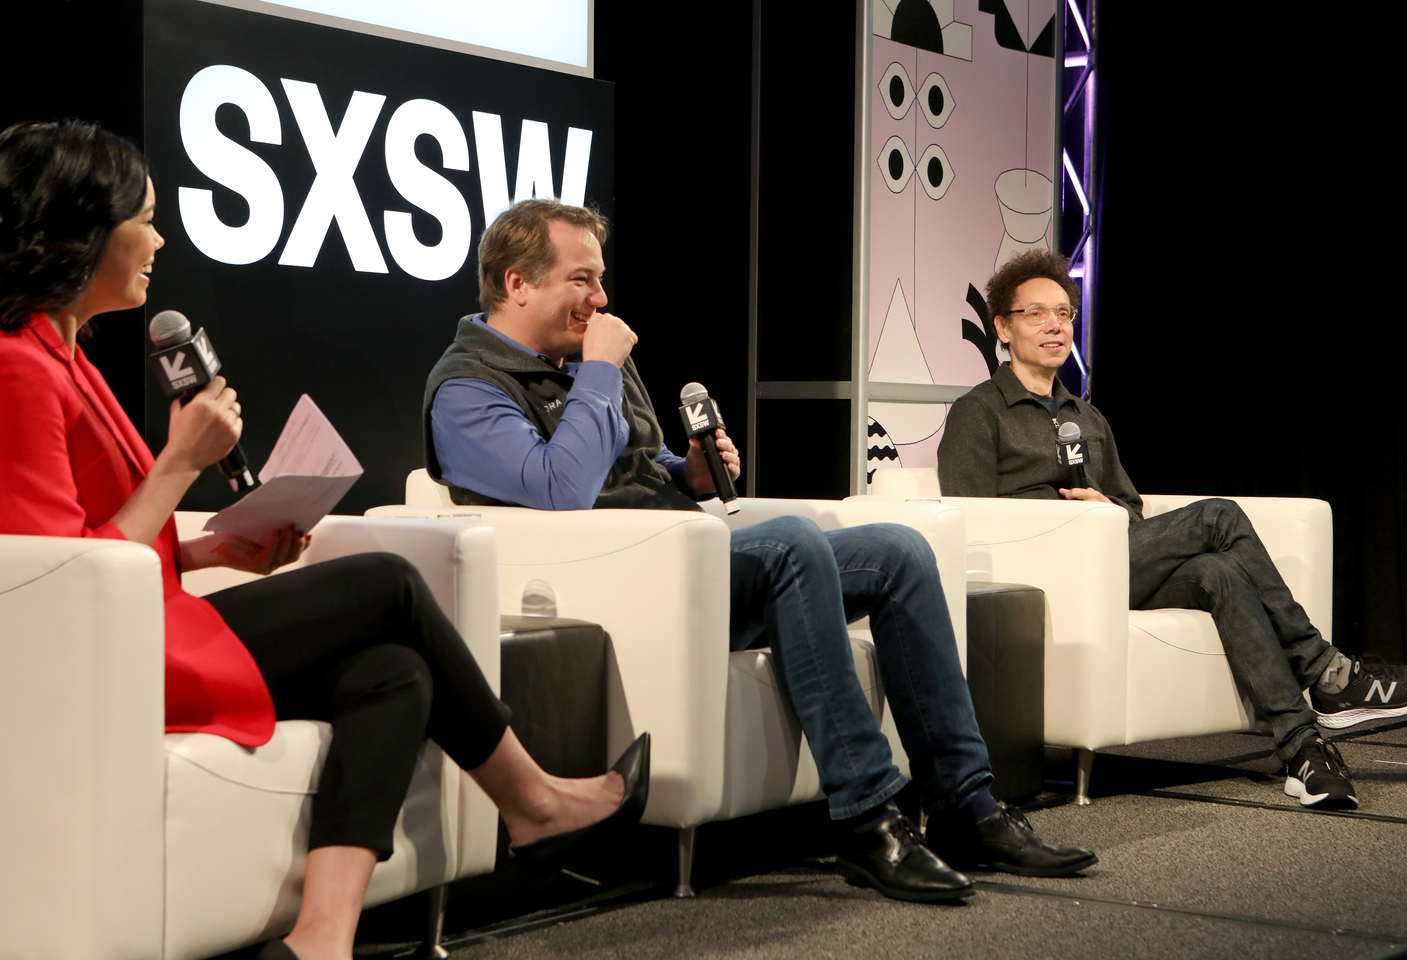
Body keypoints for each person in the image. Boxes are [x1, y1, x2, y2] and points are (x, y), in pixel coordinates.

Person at [0, 121, 650, 960]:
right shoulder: (18, 368)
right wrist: (176, 466)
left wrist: (209, 550)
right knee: (387, 581)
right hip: (114, 661)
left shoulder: (68, 357)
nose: (159, 237)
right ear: (83, 229)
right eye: (146, 218)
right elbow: (55, 584)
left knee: (394, 674)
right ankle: (534, 802)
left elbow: (98, 541)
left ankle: (320, 941)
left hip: (151, 624)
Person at [423, 198, 1098, 903]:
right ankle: (869, 822)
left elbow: (623, 465)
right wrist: (597, 373)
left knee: (901, 551)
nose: (601, 298)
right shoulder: (469, 387)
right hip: (618, 593)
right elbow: (558, 490)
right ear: (517, 283)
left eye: (600, 280)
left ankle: (967, 805)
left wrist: (682, 469)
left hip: (685, 560)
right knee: (789, 544)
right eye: (581, 280)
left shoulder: (587, 361)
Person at [936, 248, 1407, 810]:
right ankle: (1324, 670)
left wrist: (1104, 508)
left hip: (1109, 563)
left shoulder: (1087, 416)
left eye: (1065, 313)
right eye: (1037, 314)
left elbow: (1130, 511)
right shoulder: (977, 412)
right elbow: (970, 520)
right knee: (1218, 515)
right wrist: (1065, 521)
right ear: (1003, 326)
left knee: (1217, 570)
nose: (1056, 325)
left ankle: (1303, 751)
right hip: (1041, 579)